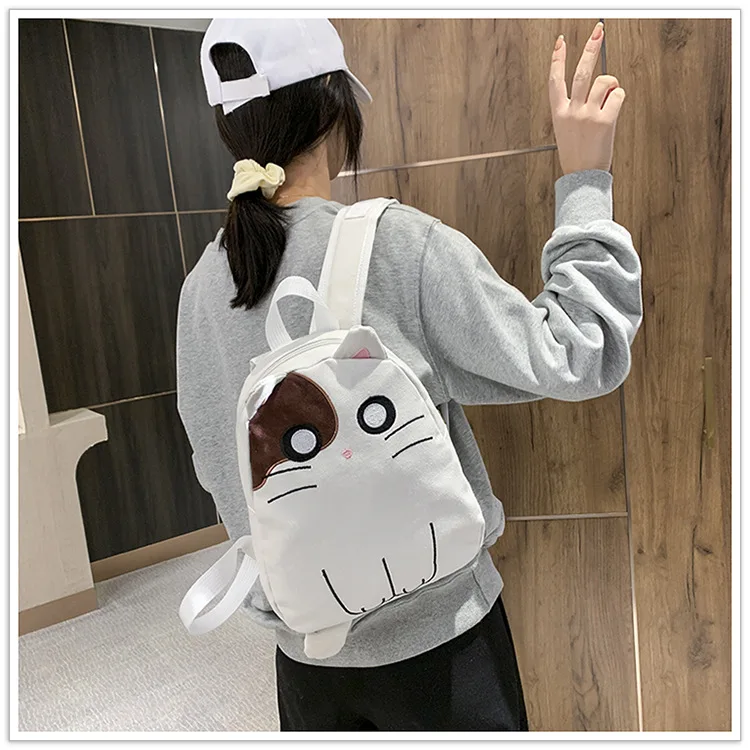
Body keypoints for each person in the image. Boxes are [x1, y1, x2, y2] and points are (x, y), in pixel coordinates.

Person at [177, 18, 642, 731]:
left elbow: (221, 470)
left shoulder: (201, 292)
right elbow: (579, 351)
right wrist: (584, 179)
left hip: (307, 664)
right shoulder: (396, 246)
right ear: (336, 104)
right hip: (444, 659)